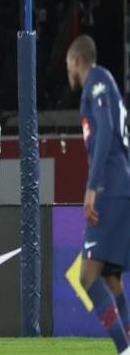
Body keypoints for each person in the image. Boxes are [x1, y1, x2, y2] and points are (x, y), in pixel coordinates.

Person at [66, 35, 130, 354]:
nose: (68, 71)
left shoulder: (97, 81)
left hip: (109, 188)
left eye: (68, 64)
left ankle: (123, 348)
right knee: (111, 277)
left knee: (87, 277)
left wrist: (91, 188)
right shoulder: (103, 83)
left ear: (77, 61)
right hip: (120, 185)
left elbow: (105, 130)